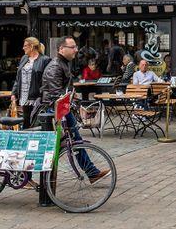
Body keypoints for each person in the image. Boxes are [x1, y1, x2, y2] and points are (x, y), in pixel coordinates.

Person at [39, 37, 108, 182]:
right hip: (55, 112)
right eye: (72, 47)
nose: (76, 50)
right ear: (61, 49)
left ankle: (90, 172)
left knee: (74, 141)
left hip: (61, 110)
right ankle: (89, 172)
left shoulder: (63, 64)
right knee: (71, 141)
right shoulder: (55, 66)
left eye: (75, 47)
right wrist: (71, 103)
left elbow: (62, 92)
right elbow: (55, 95)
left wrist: (74, 100)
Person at [11, 37, 49, 129]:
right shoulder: (24, 58)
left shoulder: (45, 60)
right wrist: (13, 93)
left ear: (31, 46)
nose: (23, 48)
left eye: (25, 46)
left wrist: (42, 95)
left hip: (37, 97)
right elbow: (18, 78)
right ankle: (26, 141)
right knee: (26, 120)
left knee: (37, 122)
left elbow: (46, 80)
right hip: (24, 95)